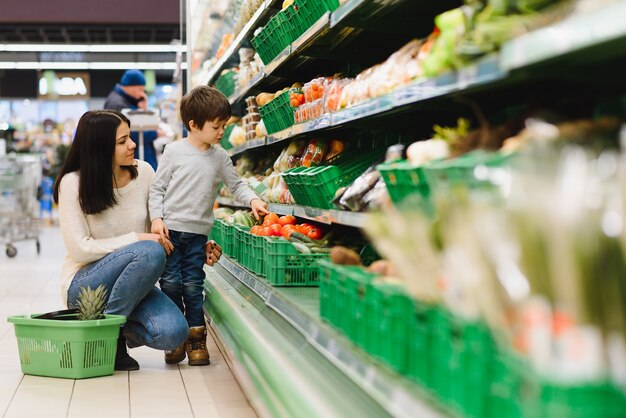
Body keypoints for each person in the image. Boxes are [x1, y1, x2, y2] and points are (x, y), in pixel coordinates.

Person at [53, 110, 223, 371]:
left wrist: (199, 248)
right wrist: (137, 239)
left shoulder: (143, 173)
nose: (132, 144)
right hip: (85, 284)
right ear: (100, 148)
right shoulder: (73, 183)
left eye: (129, 137)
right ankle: (114, 340)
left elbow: (164, 230)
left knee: (175, 333)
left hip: (134, 284)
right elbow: (80, 249)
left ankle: (104, 331)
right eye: (122, 141)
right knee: (149, 251)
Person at [149, 85, 269, 366]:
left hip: (196, 235)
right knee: (170, 285)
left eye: (224, 126)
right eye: (216, 126)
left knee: (192, 285)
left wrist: (252, 200)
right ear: (193, 124)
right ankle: (176, 337)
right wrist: (156, 218)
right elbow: (157, 189)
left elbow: (236, 184)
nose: (221, 132)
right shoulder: (174, 152)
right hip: (170, 232)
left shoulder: (220, 157)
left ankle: (196, 338)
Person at [104, 69, 159, 170]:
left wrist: (143, 108)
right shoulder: (118, 104)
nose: (142, 94)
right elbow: (128, 133)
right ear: (131, 86)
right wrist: (155, 133)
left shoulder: (127, 101)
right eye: (140, 89)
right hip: (131, 160)